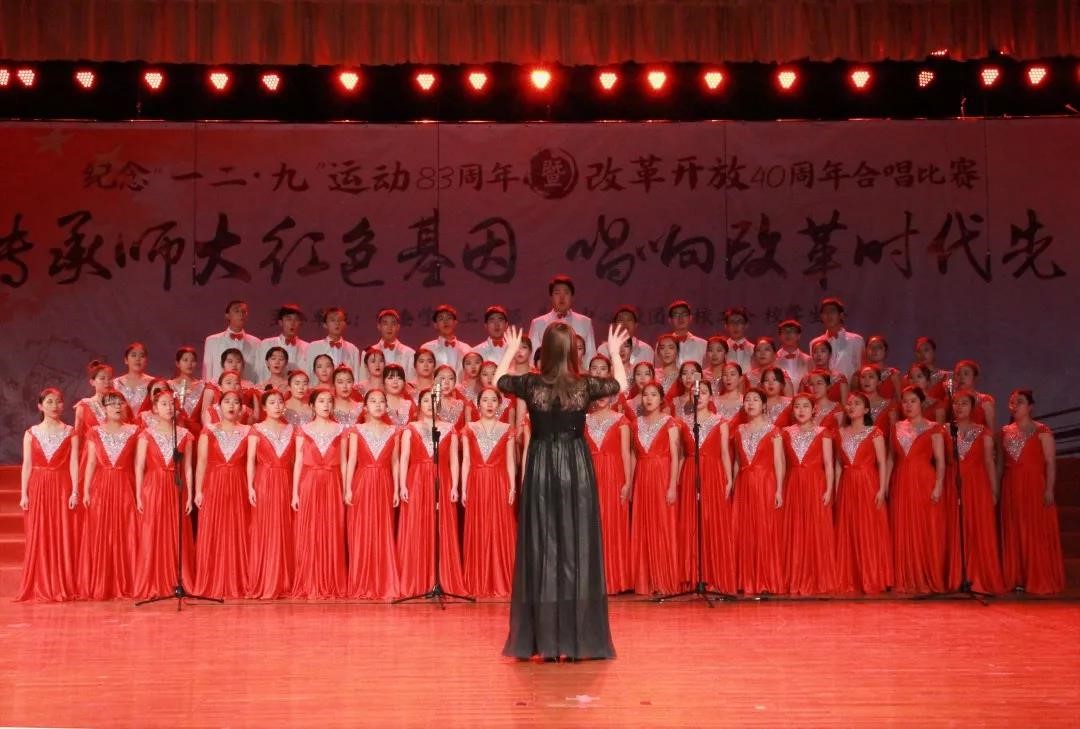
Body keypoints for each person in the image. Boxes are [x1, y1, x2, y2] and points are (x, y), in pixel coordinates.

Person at [494, 320, 628, 660]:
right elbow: (620, 385)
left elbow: (498, 380)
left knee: (544, 545)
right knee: (575, 545)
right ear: (572, 352)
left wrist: (510, 350)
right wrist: (614, 352)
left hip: (541, 466)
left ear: (547, 351)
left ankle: (545, 641)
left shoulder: (531, 383)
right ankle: (576, 639)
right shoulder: (583, 385)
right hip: (575, 468)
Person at [396, 389, 467, 597]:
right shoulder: (410, 428)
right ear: (419, 404)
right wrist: (402, 485)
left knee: (441, 527)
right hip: (417, 479)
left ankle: (441, 579)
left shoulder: (450, 429)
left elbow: (454, 460)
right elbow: (404, 458)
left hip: (441, 479)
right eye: (425, 400)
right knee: (417, 526)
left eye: (433, 401)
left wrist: (454, 486)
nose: (430, 404)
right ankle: (417, 580)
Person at [999, 389, 1065, 594]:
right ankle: (1017, 577)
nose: (1014, 406)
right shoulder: (1004, 431)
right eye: (1011, 402)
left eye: (1019, 402)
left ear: (1030, 407)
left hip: (1034, 485)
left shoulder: (1042, 430)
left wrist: (1049, 489)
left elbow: (1050, 463)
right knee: (1015, 530)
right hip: (1011, 485)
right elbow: (1000, 464)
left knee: (1034, 530)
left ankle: (1037, 577)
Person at [674, 379, 736, 594]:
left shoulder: (721, 422)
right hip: (690, 471)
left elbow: (725, 453)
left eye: (703, 392)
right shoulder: (682, 422)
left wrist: (729, 479)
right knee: (692, 521)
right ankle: (692, 575)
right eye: (695, 392)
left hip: (713, 472)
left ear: (711, 396)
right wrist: (677, 480)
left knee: (712, 521)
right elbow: (681, 455)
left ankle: (713, 575)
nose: (699, 396)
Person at [133, 388, 195, 600]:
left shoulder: (184, 434)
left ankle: (178, 579)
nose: (169, 408)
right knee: (154, 531)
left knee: (176, 532)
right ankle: (153, 580)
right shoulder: (146, 435)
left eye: (171, 404)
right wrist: (139, 494)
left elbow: (188, 468)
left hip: (176, 486)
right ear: (155, 408)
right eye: (164, 404)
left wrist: (189, 494)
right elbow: (139, 466)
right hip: (154, 486)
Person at [16, 388, 78, 602]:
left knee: (62, 532)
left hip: (62, 486)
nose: (55, 406)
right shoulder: (31, 433)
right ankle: (40, 582)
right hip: (39, 486)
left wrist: (75, 490)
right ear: (40, 406)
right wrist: (24, 493)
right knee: (39, 532)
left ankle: (62, 582)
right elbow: (27, 464)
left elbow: (74, 462)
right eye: (49, 402)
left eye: (58, 401)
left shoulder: (70, 432)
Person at [79, 389, 139, 600]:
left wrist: (138, 491)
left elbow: (138, 464)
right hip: (101, 486)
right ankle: (102, 583)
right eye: (111, 403)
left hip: (125, 484)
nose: (116, 407)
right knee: (101, 533)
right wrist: (86, 490)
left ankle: (128, 582)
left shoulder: (135, 431)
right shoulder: (95, 432)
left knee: (126, 531)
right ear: (104, 409)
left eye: (120, 403)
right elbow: (91, 463)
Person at [888, 386, 946, 594]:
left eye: (913, 401)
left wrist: (938, 485)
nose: (908, 405)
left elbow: (940, 461)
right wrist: (885, 485)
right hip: (901, 480)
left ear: (921, 403)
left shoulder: (934, 427)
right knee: (902, 526)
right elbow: (890, 459)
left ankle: (926, 575)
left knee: (924, 528)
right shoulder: (896, 427)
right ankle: (905, 577)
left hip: (924, 480)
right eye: (905, 401)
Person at [193, 390, 251, 599]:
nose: (231, 405)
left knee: (237, 530)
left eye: (236, 402)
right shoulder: (208, 431)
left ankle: (238, 580)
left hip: (238, 485)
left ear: (241, 408)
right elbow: (201, 462)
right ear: (219, 406)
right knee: (214, 529)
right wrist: (198, 490)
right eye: (227, 401)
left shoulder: (248, 431)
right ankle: (211, 580)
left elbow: (251, 463)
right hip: (214, 484)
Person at [461, 387, 518, 598]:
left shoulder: (507, 429)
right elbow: (466, 460)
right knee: (479, 527)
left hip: (499, 481)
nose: (489, 404)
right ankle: (479, 580)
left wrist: (512, 486)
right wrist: (463, 487)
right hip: (476, 481)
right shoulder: (469, 428)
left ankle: (501, 578)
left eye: (494, 400)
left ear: (500, 405)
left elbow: (510, 460)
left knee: (499, 526)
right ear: (478, 405)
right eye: (485, 400)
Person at [291, 388, 348, 599]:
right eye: (321, 401)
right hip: (309, 483)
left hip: (332, 483)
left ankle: (331, 580)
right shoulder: (303, 430)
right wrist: (295, 492)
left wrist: (345, 488)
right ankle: (310, 580)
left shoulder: (341, 430)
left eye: (329, 401)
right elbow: (298, 461)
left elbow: (343, 462)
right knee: (310, 531)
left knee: (332, 530)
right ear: (312, 406)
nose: (326, 405)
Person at [833, 392, 892, 594]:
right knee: (849, 528)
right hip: (847, 484)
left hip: (868, 482)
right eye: (849, 404)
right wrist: (836, 490)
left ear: (866, 410)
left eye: (857, 404)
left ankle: (872, 576)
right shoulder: (840, 432)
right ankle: (851, 577)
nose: (851, 407)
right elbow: (838, 465)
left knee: (868, 528)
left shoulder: (874, 432)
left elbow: (882, 462)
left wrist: (882, 489)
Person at [345, 389, 401, 600]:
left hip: (384, 483)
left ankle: (382, 581)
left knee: (382, 530)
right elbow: (351, 460)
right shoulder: (356, 430)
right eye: (373, 401)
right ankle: (362, 581)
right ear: (365, 407)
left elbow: (395, 462)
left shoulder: (393, 431)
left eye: (381, 401)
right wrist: (348, 488)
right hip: (362, 482)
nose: (378, 405)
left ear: (386, 406)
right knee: (362, 530)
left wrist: (397, 488)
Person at [629, 381, 682, 596]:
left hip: (662, 476)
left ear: (661, 399)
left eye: (653, 395)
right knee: (643, 525)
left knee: (662, 525)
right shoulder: (635, 423)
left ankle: (665, 579)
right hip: (642, 477)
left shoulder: (670, 423)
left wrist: (672, 485)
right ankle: (645, 580)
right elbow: (633, 456)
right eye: (645, 395)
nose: (649, 399)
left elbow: (676, 456)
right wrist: (631, 483)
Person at [780, 393, 837, 595]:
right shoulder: (785, 433)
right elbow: (782, 464)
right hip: (793, 483)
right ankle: (794, 576)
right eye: (797, 406)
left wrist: (829, 489)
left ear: (814, 410)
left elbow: (828, 464)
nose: (801, 410)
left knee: (816, 529)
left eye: (805, 406)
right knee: (795, 528)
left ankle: (818, 577)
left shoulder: (823, 433)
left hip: (815, 483)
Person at [951, 390, 1005, 595]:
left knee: (977, 527)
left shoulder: (983, 431)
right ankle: (958, 576)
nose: (959, 407)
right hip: (953, 484)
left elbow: (989, 462)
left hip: (977, 485)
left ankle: (979, 576)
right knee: (957, 528)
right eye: (956, 403)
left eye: (964, 403)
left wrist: (994, 490)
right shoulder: (945, 430)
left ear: (972, 407)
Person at [731, 388, 785, 596]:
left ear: (763, 405)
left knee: (764, 530)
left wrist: (779, 490)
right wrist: (734, 484)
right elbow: (737, 462)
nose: (751, 403)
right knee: (744, 532)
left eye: (755, 400)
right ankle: (745, 580)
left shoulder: (774, 431)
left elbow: (779, 462)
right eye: (747, 400)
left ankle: (765, 580)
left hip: (765, 483)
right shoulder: (739, 430)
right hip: (744, 484)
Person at [245, 389, 297, 599]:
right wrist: (250, 486)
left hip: (285, 480)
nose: (277, 406)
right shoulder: (256, 430)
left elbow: (295, 461)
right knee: (265, 527)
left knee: (284, 527)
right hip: (264, 481)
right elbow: (250, 460)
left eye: (280, 402)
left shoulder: (292, 429)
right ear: (264, 407)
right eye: (272, 402)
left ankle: (283, 580)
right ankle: (265, 579)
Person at [585, 393, 633, 595]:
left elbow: (625, 453)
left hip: (614, 475)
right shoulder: (584, 419)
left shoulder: (621, 420)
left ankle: (615, 580)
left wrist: (628, 482)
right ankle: (591, 582)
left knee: (612, 523)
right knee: (590, 524)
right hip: (590, 474)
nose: (602, 397)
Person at [528, 274, 597, 362]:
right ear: (551, 297)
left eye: (566, 293)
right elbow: (533, 357)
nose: (562, 297)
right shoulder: (538, 323)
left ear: (572, 297)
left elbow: (590, 355)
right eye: (557, 293)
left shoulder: (585, 322)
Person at [203, 299, 261, 383]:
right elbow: (207, 372)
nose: (241, 314)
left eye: (244, 311)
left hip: (246, 389)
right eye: (236, 311)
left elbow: (258, 372)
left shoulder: (256, 343)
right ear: (227, 315)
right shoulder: (212, 341)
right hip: (218, 388)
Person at [809, 297, 864, 380]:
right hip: (823, 387)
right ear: (821, 317)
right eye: (825, 312)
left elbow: (862, 369)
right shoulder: (815, 343)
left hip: (849, 387)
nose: (828, 315)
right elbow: (814, 370)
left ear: (841, 315)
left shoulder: (856, 340)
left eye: (832, 311)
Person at [306, 306, 363, 381]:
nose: (337, 323)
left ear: (344, 324)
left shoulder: (353, 349)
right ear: (325, 325)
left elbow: (356, 377)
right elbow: (308, 373)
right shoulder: (314, 347)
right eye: (332, 320)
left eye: (340, 320)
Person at [258, 303, 309, 381]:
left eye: (296, 319)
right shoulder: (267, 344)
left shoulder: (307, 347)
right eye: (289, 319)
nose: (292, 323)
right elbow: (260, 370)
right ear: (281, 322)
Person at [422, 304, 472, 376]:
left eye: (449, 318)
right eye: (441, 319)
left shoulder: (467, 349)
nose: (445, 322)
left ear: (455, 323)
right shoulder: (427, 348)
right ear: (435, 325)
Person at [169, 347, 206, 441]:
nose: (189, 364)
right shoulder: (169, 385)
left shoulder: (203, 385)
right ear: (177, 363)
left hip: (198, 433)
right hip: (178, 432)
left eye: (193, 360)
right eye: (185, 360)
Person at [369, 308, 416, 382]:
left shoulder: (409, 353)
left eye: (393, 324)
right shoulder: (368, 352)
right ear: (379, 326)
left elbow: (411, 382)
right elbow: (363, 381)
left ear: (398, 327)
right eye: (385, 323)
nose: (389, 327)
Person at [113, 341, 155, 420]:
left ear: (146, 361)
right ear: (126, 360)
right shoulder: (115, 383)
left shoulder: (153, 383)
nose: (137, 359)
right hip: (121, 424)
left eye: (142, 356)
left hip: (145, 425)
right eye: (133, 355)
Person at [953, 360, 995, 429]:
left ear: (975, 377)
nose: (961, 377)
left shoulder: (985, 401)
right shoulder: (951, 400)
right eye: (958, 374)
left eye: (966, 374)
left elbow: (991, 430)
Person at [864, 335, 904, 401]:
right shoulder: (859, 375)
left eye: (878, 347)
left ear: (886, 351)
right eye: (871, 347)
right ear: (866, 350)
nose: (874, 350)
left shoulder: (894, 374)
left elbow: (900, 401)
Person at [667, 299, 707, 365]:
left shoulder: (703, 344)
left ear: (690, 318)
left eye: (684, 314)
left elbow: (707, 370)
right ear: (670, 320)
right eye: (676, 315)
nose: (680, 318)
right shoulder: (662, 345)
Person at [776, 319, 813, 388]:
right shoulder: (773, 360)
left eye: (792, 331)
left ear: (799, 336)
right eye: (784, 331)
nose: (788, 334)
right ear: (780, 336)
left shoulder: (808, 360)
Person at [723, 306, 753, 372]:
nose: (735, 325)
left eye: (739, 322)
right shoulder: (722, 350)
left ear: (746, 325)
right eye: (731, 322)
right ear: (726, 326)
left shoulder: (753, 349)